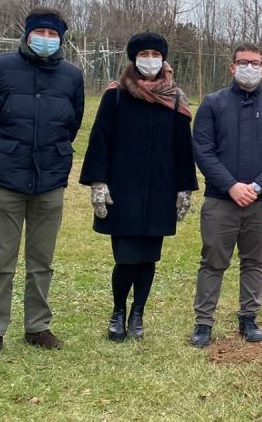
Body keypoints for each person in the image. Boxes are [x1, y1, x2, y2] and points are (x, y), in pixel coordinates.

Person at [0, 7, 84, 359]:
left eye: (53, 34)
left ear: (61, 39)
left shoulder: (71, 77)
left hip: (49, 180)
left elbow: (72, 121)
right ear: (27, 34)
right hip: (5, 180)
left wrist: (56, 153)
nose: (46, 39)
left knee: (42, 259)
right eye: (40, 32)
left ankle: (37, 326)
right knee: (2, 259)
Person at [79, 32, 198, 342]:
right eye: (143, 54)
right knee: (126, 257)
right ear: (134, 58)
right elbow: (100, 139)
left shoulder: (174, 99)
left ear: (163, 59)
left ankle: (138, 314)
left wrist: (185, 187)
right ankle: (118, 311)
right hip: (124, 190)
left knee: (148, 258)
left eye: (155, 54)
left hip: (160, 189)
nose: (149, 60)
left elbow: (183, 147)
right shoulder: (116, 94)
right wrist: (97, 182)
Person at [190, 43, 262, 348]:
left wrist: (258, 187)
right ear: (232, 67)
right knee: (213, 261)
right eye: (242, 62)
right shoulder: (212, 104)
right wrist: (231, 186)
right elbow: (203, 151)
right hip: (220, 201)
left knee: (254, 260)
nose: (249, 68)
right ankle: (203, 322)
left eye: (255, 63)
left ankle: (248, 317)